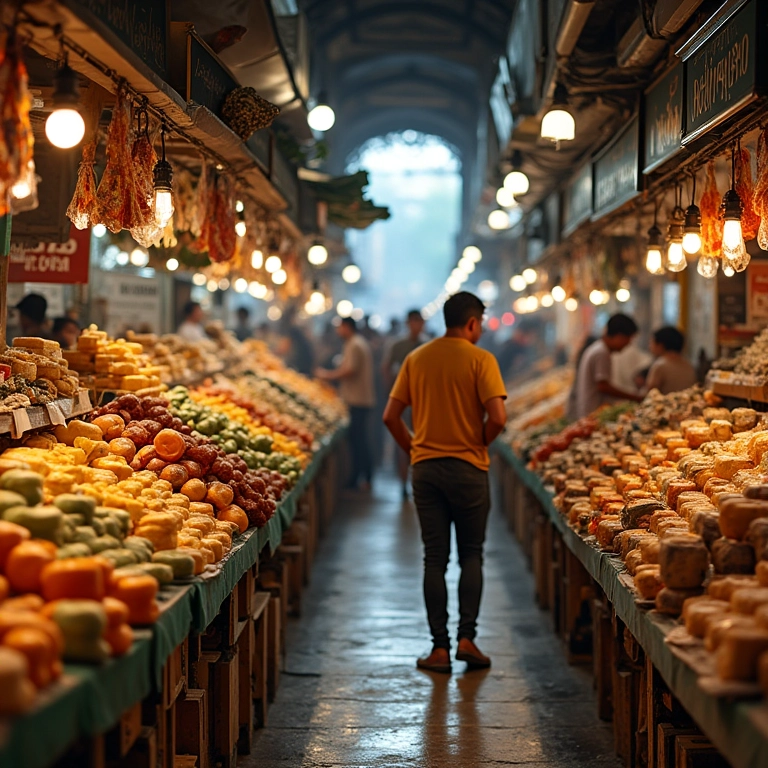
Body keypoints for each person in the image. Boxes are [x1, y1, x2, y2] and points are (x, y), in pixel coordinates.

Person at [383, 291, 507, 673]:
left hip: (427, 470)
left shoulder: (416, 358)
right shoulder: (481, 360)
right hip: (469, 470)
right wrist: (477, 444)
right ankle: (467, 638)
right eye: (481, 323)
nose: (482, 330)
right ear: (471, 323)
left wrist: (416, 448)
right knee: (471, 554)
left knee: (434, 558)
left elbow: (391, 416)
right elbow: (498, 418)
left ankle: (439, 649)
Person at [315, 317, 376, 491]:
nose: (337, 330)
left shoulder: (355, 344)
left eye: (339, 327)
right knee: (358, 440)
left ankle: (364, 478)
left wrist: (327, 375)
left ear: (347, 327)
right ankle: (359, 477)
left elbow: (350, 370)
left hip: (358, 400)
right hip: (357, 399)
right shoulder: (354, 343)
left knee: (359, 441)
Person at [382, 309, 427, 499]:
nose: (416, 326)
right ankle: (403, 484)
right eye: (413, 322)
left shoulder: (428, 346)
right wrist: (393, 394)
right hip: (404, 403)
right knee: (403, 444)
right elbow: (385, 369)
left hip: (424, 403)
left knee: (423, 444)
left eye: (419, 322)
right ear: (408, 323)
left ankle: (419, 482)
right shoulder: (398, 346)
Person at [572, 314, 644, 420]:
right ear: (620, 336)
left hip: (589, 412)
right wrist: (635, 397)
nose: (629, 344)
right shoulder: (601, 353)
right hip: (592, 414)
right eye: (629, 339)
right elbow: (603, 386)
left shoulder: (598, 348)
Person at [644, 326, 698, 395]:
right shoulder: (689, 365)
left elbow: (650, 393)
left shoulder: (660, 365)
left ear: (660, 345)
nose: (649, 346)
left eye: (651, 342)